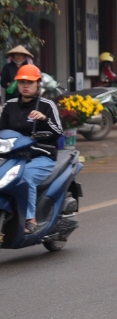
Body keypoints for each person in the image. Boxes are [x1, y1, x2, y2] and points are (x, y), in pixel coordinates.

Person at [0, 64, 63, 233]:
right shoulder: (9, 105)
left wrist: (43, 119)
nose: (25, 86)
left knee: (25, 178)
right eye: (21, 82)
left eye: (29, 82)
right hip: (13, 157)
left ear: (38, 84)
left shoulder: (47, 106)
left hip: (41, 156)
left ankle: (30, 218)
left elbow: (58, 132)